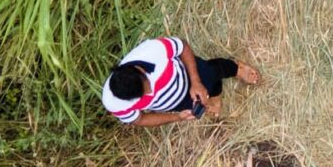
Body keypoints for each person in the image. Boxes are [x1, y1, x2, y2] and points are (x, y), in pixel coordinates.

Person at [101, 35, 259, 128]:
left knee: (214, 71)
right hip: (177, 103)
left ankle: (236, 68)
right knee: (206, 94)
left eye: (147, 86)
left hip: (186, 73)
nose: (152, 93)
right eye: (144, 95)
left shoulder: (152, 51)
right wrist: (178, 117)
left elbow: (182, 46)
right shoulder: (115, 103)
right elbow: (140, 119)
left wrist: (196, 81)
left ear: (140, 70)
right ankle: (214, 95)